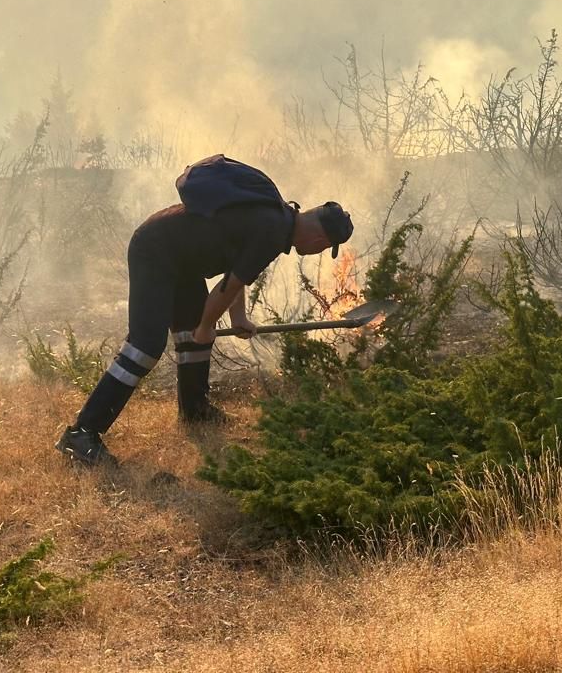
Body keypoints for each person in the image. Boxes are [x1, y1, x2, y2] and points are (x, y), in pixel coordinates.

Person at [55, 169, 354, 466]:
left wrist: (237, 318)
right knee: (145, 347)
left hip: (184, 261)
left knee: (192, 337)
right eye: (325, 248)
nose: (318, 251)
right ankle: (82, 433)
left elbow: (236, 275)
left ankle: (195, 410)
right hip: (155, 252)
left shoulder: (277, 218)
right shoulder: (273, 231)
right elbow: (228, 286)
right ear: (319, 239)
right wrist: (207, 325)